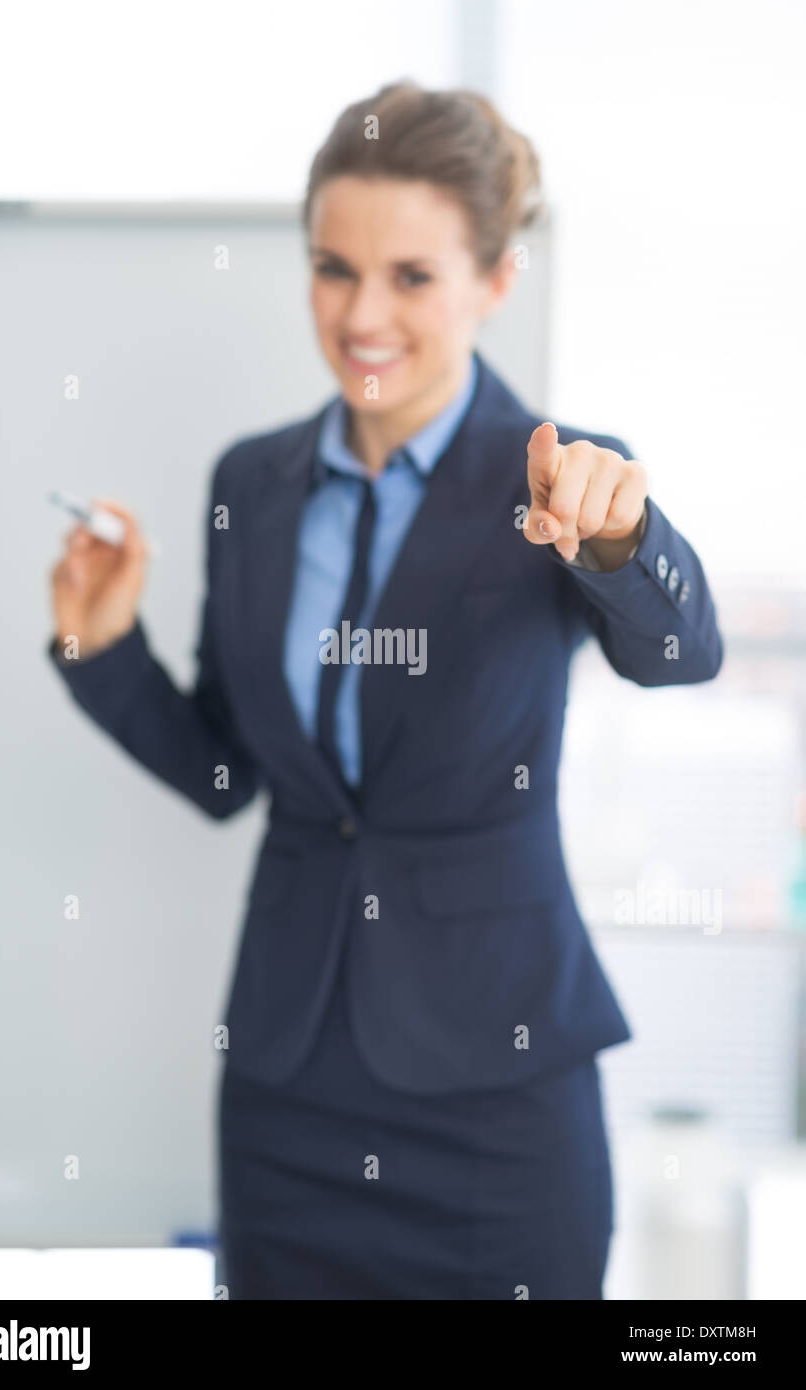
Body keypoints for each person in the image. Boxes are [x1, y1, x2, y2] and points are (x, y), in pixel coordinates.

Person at [47, 82, 723, 1300]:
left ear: (495, 281)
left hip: (496, 1101)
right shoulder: (251, 484)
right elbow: (225, 775)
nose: (362, 314)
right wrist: (105, 653)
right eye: (332, 267)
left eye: (411, 276)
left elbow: (681, 653)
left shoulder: (557, 480)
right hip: (288, 1092)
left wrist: (620, 544)